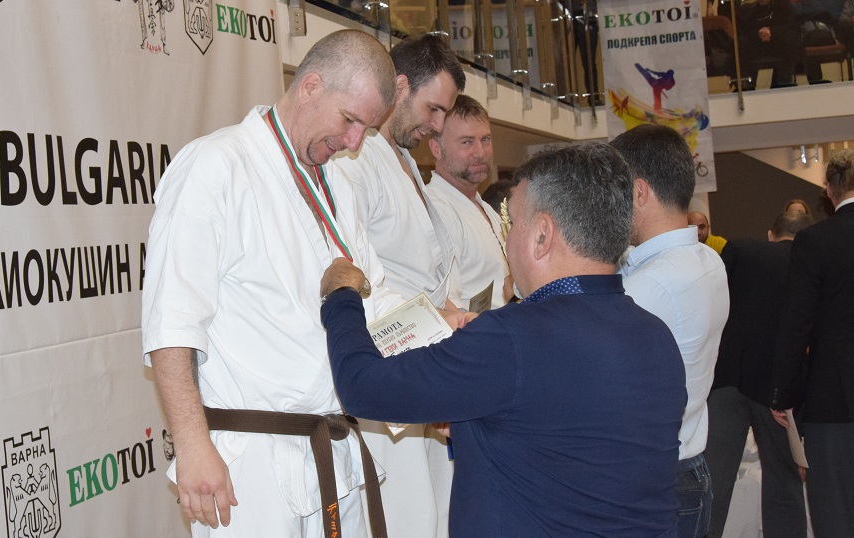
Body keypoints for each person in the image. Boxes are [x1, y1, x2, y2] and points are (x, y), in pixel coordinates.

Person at [319, 143, 687, 536]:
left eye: (511, 224)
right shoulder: (657, 337)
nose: (506, 242)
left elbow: (362, 386)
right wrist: (472, 428)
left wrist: (342, 297)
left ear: (542, 235)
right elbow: (579, 447)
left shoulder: (510, 338)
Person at [141, 29, 404, 537]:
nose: (354, 143)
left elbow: (375, 300)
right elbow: (172, 321)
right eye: (350, 121)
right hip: (252, 463)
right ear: (310, 86)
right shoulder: (216, 165)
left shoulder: (339, 185)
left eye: (366, 130)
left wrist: (443, 338)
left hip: (332, 447)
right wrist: (192, 445)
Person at [330, 32, 464, 538]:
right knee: (402, 514)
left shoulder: (405, 159)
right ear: (401, 86)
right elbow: (351, 271)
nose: (438, 125)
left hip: (427, 353)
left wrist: (451, 317)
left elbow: (430, 267)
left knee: (435, 508)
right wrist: (434, 318)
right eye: (434, 109)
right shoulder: (355, 160)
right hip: (388, 355)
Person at [612, 123, 730, 538]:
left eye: (615, 189)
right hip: (687, 464)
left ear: (638, 192)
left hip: (655, 479)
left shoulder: (651, 284)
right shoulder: (708, 260)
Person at [704, 211, 813, 538]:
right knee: (784, 485)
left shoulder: (739, 249)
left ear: (770, 234)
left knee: (714, 483)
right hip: (777, 389)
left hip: (727, 379)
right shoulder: (809, 264)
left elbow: (712, 305)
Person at [770, 148, 854, 537]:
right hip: (833, 398)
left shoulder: (815, 241)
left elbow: (796, 325)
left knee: (834, 512)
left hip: (832, 397)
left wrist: (782, 394)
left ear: (829, 190)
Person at [427, 96, 511, 309]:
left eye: (486, 140)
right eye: (467, 142)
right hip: (472, 327)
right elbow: (446, 305)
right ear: (436, 149)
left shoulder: (484, 208)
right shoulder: (436, 209)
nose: (480, 153)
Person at [561, 0, 611, 94]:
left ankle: (593, 95)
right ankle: (568, 95)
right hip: (568, 21)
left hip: (589, 20)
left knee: (589, 61)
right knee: (566, 60)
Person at [736, 0, 801, 88]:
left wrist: (772, 32)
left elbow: (790, 24)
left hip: (776, 43)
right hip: (756, 45)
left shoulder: (780, 3)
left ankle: (784, 80)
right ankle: (746, 84)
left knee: (792, 37)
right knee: (741, 42)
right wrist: (758, 33)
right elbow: (743, 28)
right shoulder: (749, 7)